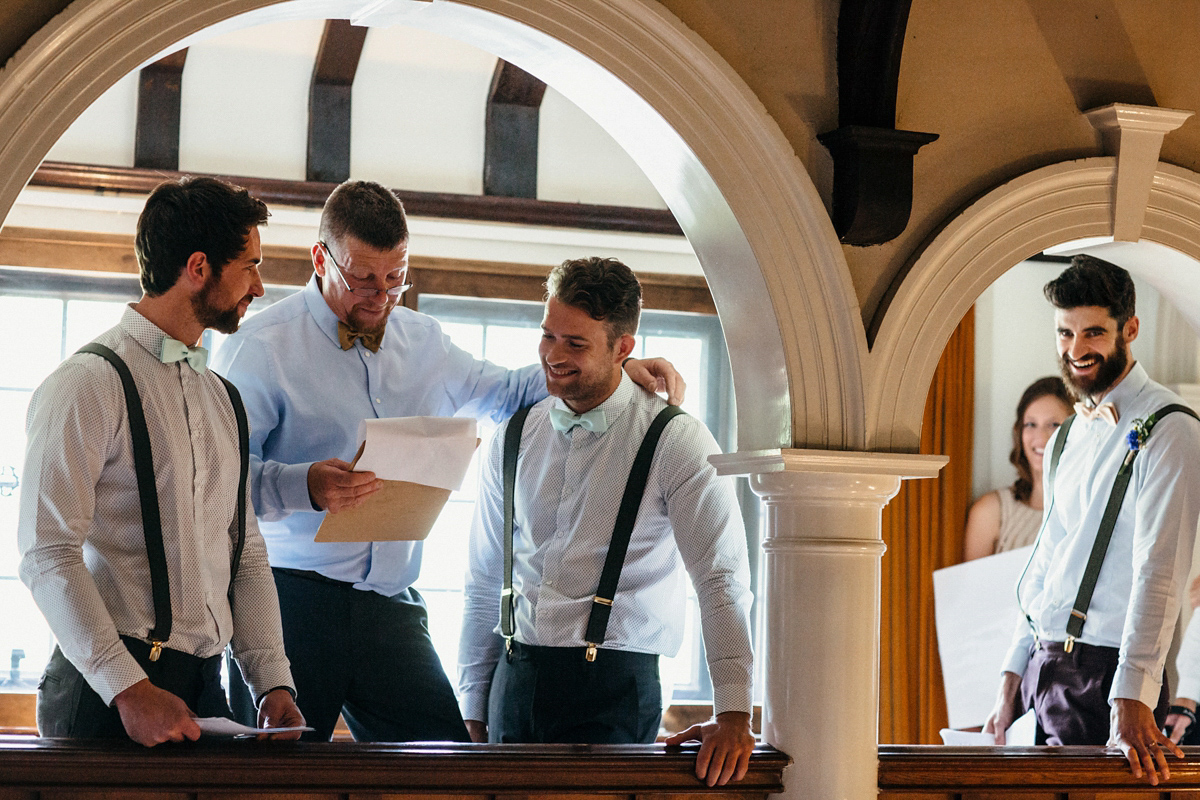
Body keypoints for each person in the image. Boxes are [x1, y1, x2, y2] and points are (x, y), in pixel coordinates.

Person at [210, 180, 684, 743]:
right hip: (292, 601)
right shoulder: (260, 345)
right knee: (270, 776)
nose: (381, 296)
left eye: (395, 277)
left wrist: (608, 369)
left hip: (392, 606)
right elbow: (223, 483)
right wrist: (305, 486)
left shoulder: (424, 340)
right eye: (363, 279)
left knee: (444, 762)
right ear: (321, 258)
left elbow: (510, 394)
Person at [17, 177, 303, 746]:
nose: (260, 286)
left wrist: (273, 683)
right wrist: (128, 688)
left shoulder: (224, 398)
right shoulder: (87, 383)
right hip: (104, 695)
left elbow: (243, 550)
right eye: (249, 266)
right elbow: (46, 551)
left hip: (205, 689)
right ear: (199, 267)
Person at [457, 257, 755, 787]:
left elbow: (721, 580)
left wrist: (734, 712)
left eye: (575, 344)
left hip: (616, 688)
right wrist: (473, 704)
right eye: (548, 336)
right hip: (513, 680)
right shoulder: (512, 436)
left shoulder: (675, 441)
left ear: (623, 347)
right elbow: (483, 578)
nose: (552, 355)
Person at [984, 254, 1200, 785]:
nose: (1076, 350)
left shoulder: (1170, 429)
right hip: (1043, 671)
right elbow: (1046, 562)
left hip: (1104, 675)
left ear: (1130, 328)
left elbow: (1160, 573)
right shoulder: (1065, 437)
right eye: (1065, 333)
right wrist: (1013, 669)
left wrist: (1132, 696)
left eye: (1093, 333)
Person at [963, 376, 1073, 560]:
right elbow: (970, 588)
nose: (1041, 437)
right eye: (1031, 424)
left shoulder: (1092, 511)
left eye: (1053, 425)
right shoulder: (990, 512)